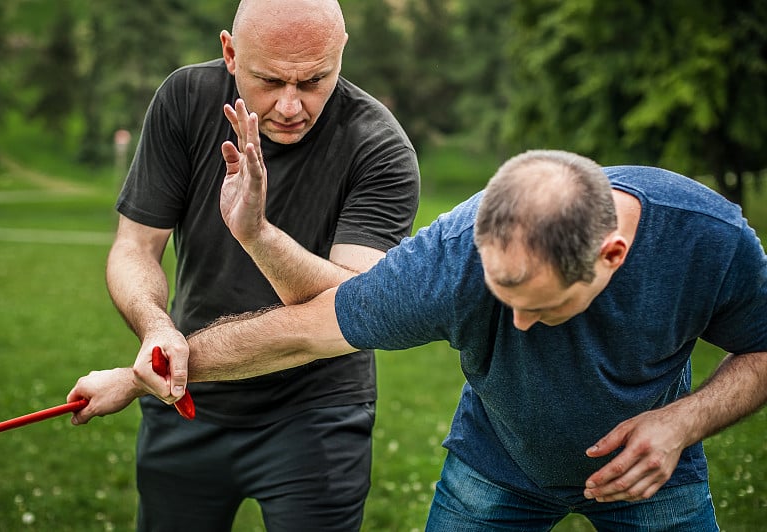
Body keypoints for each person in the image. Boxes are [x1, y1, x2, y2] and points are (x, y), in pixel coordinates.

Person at [71, 150, 767, 531]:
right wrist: (139, 376)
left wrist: (682, 422)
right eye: (503, 298)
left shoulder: (707, 241)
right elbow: (304, 331)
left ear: (611, 256)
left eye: (540, 306)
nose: (517, 327)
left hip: (651, 479)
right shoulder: (450, 260)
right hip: (496, 470)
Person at [91, 0, 420, 529]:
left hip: (317, 414)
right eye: (269, 80)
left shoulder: (379, 148)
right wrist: (156, 330)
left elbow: (352, 309)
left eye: (314, 80)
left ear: (341, 53)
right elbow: (135, 246)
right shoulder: (186, 99)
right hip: (181, 396)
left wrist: (257, 234)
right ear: (230, 52)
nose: (291, 106)